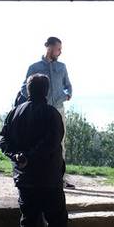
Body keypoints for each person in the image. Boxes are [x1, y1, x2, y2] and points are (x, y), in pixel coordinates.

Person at [0, 73, 85, 227]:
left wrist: (18, 157)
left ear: (27, 90)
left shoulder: (14, 114)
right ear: (46, 91)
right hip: (48, 180)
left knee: (29, 224)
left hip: (24, 180)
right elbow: (51, 143)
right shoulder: (51, 114)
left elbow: (3, 140)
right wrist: (29, 157)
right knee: (57, 224)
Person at [20, 36, 74, 185]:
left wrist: (67, 95)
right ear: (49, 47)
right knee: (38, 141)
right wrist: (34, 102)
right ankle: (38, 175)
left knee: (59, 142)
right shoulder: (34, 67)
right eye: (58, 49)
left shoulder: (62, 67)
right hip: (40, 113)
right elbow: (24, 88)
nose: (60, 52)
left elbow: (68, 85)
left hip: (57, 110)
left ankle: (60, 177)